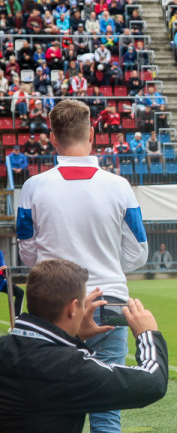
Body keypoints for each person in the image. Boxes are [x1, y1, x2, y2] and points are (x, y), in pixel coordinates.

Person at [16, 99, 149, 432]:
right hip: (109, 303)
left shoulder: (33, 187)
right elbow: (139, 254)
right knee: (106, 413)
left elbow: (27, 257)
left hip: (55, 309)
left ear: (52, 137)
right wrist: (104, 257)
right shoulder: (120, 187)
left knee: (52, 406)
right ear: (92, 133)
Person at [0, 260, 167, 432]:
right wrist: (147, 334)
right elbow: (153, 382)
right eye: (82, 304)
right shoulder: (69, 367)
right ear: (73, 308)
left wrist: (76, 336)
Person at [0, 249, 24, 316]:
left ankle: (16, 317)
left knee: (19, 292)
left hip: (1, 283)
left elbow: (2, 267)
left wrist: (4, 270)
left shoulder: (0, 253)